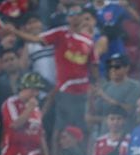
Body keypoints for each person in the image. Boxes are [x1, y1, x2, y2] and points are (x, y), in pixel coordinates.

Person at [6, 5, 96, 144]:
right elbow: (36, 40)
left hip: (82, 92)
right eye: (72, 14)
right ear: (68, 18)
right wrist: (15, 32)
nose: (75, 18)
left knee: (82, 130)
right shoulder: (60, 33)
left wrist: (94, 88)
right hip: (63, 91)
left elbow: (93, 67)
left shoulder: (88, 41)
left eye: (78, 15)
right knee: (59, 130)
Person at [1, 72, 49, 155]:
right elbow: (15, 124)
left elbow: (40, 133)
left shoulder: (36, 108)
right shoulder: (11, 102)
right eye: (33, 90)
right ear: (24, 88)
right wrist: (30, 108)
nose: (36, 94)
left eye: (37, 91)